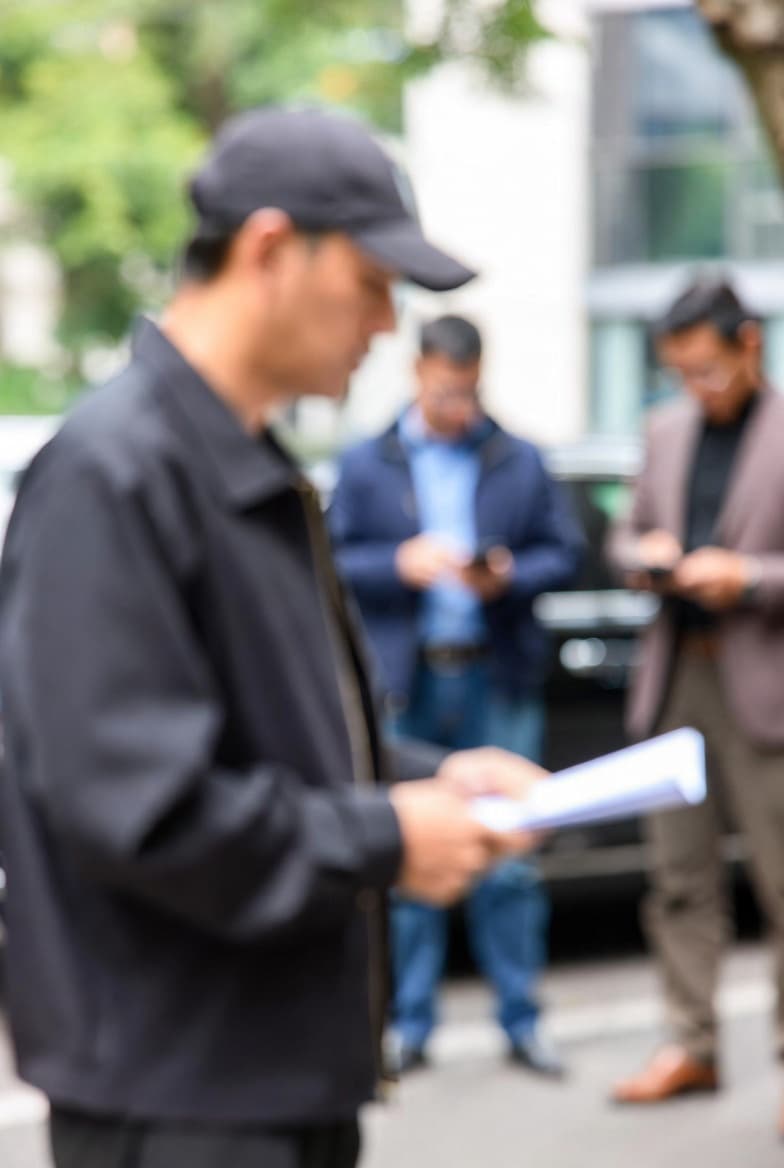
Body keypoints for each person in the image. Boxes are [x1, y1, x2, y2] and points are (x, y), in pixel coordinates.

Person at [0, 107, 544, 1168]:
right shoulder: (113, 476)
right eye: (371, 281)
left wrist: (435, 778)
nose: (386, 325)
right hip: (182, 1091)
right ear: (267, 249)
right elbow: (141, 806)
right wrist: (388, 836)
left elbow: (278, 737)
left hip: (269, 1074)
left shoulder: (245, 467)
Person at [329, 315, 583, 1077]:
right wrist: (397, 563)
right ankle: (408, 1022)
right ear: (417, 374)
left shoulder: (519, 458)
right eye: (445, 392)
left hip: (493, 670)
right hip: (407, 678)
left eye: (469, 392)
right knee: (407, 839)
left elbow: (564, 551)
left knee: (513, 853)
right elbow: (335, 563)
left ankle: (521, 1017)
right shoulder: (369, 462)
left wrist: (506, 575)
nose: (458, 406)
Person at [606, 278, 784, 1131]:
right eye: (680, 373)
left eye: (707, 370)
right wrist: (645, 551)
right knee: (677, 876)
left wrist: (746, 575)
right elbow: (621, 533)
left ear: (748, 343)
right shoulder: (665, 431)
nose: (694, 388)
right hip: (675, 676)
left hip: (765, 682)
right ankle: (691, 1042)